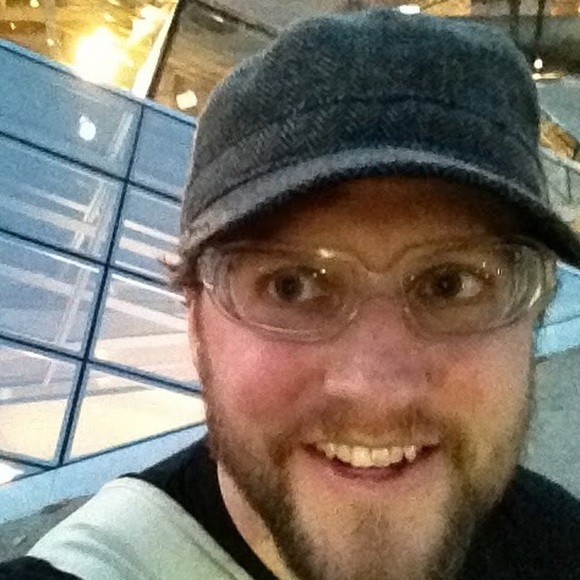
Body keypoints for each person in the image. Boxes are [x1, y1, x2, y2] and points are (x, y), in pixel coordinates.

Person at [2, 7, 580, 580]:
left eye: (450, 285)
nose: (374, 389)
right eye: (291, 287)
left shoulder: (559, 541)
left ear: (537, 308)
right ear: (196, 323)